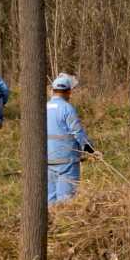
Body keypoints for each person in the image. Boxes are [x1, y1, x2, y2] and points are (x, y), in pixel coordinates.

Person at [47, 73, 96, 205]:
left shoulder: (43, 108)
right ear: (68, 92)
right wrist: (91, 150)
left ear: (53, 90)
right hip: (66, 161)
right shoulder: (67, 109)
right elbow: (78, 133)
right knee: (66, 201)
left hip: (47, 160)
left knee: (50, 200)